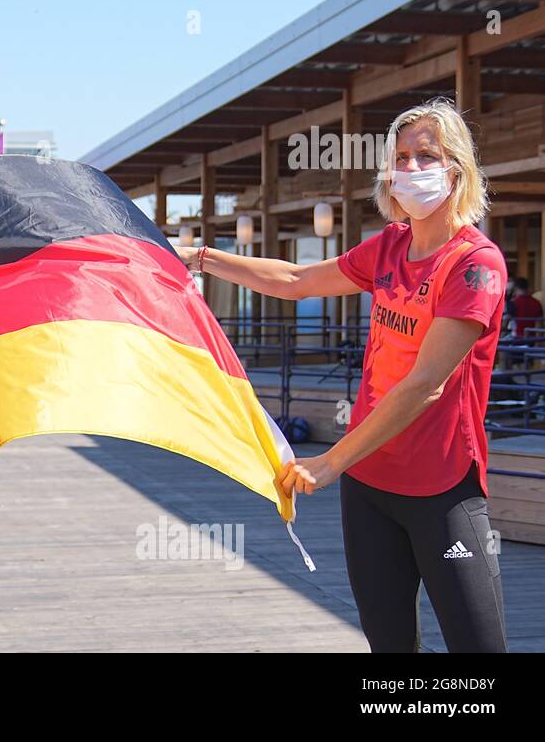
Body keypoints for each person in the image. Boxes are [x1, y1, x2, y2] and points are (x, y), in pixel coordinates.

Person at [177, 98, 508, 652]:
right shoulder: (391, 246)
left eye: (427, 156)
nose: (411, 167)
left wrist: (331, 460)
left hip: (441, 486)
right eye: (400, 157)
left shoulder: (476, 263)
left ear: (457, 169)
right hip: (369, 486)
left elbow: (426, 384)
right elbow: (295, 280)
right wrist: (198, 257)